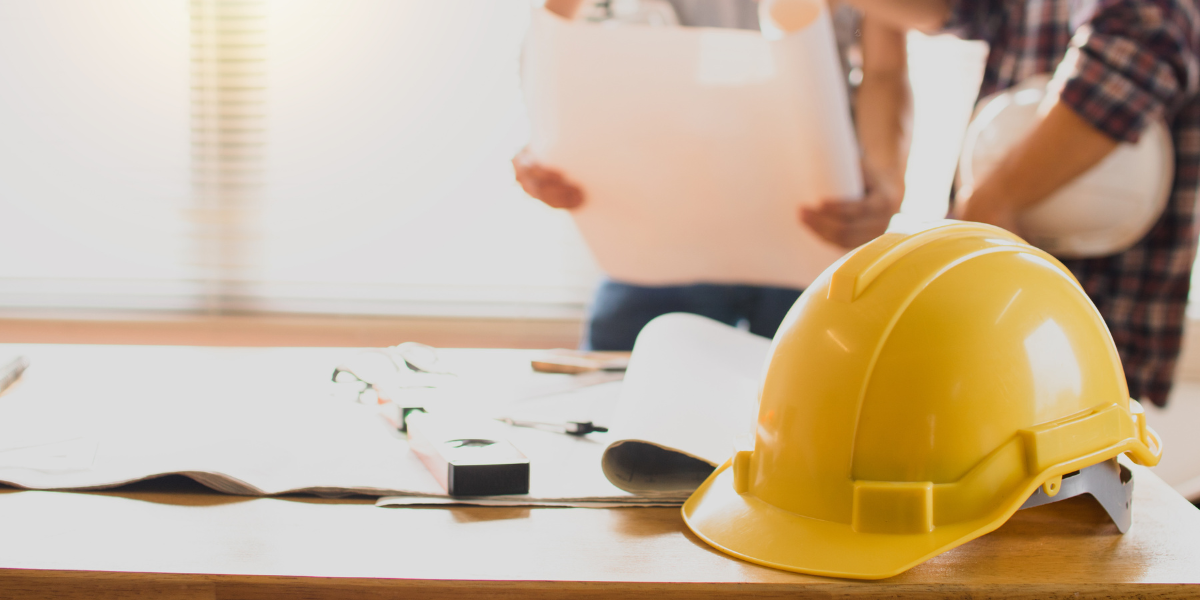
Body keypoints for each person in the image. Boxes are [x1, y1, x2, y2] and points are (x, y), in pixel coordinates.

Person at [848, 0, 1199, 406]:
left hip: (1095, 301)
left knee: (1067, 442)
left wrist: (996, 199)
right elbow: (956, 9)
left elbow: (1140, 37)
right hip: (1004, 299)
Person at [515, 0, 913, 350]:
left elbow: (883, 70)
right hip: (657, 229)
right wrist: (547, 147)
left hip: (811, 226)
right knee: (614, 403)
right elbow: (552, 33)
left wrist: (885, 180)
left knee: (809, 408)